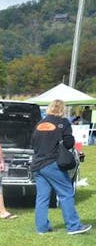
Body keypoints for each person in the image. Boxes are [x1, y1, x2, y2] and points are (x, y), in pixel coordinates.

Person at [30, 98, 91, 235]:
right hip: (51, 163)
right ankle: (74, 226)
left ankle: (42, 228)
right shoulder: (63, 122)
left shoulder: (39, 124)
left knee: (42, 197)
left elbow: (33, 144)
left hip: (37, 164)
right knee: (66, 193)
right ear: (62, 109)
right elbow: (69, 143)